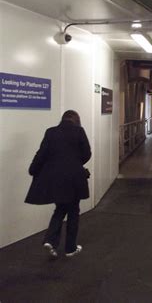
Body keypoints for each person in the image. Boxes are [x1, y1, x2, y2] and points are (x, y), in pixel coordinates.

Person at [25, 110, 91, 258]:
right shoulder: (79, 131)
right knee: (73, 211)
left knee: (60, 208)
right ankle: (70, 248)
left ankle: (50, 240)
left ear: (62, 119)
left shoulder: (51, 132)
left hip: (56, 180)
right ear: (76, 120)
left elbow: (41, 154)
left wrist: (33, 169)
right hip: (74, 179)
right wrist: (74, 163)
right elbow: (87, 153)